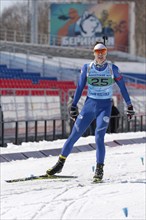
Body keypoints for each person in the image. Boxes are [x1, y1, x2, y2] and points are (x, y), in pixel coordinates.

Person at [46, 41, 135, 182]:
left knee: (99, 136)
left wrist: (129, 106)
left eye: (103, 52)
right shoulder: (87, 68)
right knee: (74, 135)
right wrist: (73, 106)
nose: (100, 55)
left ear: (106, 53)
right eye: (98, 52)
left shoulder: (113, 69)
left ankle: (99, 169)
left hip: (104, 107)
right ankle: (60, 164)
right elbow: (80, 87)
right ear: (94, 53)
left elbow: (123, 88)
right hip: (89, 106)